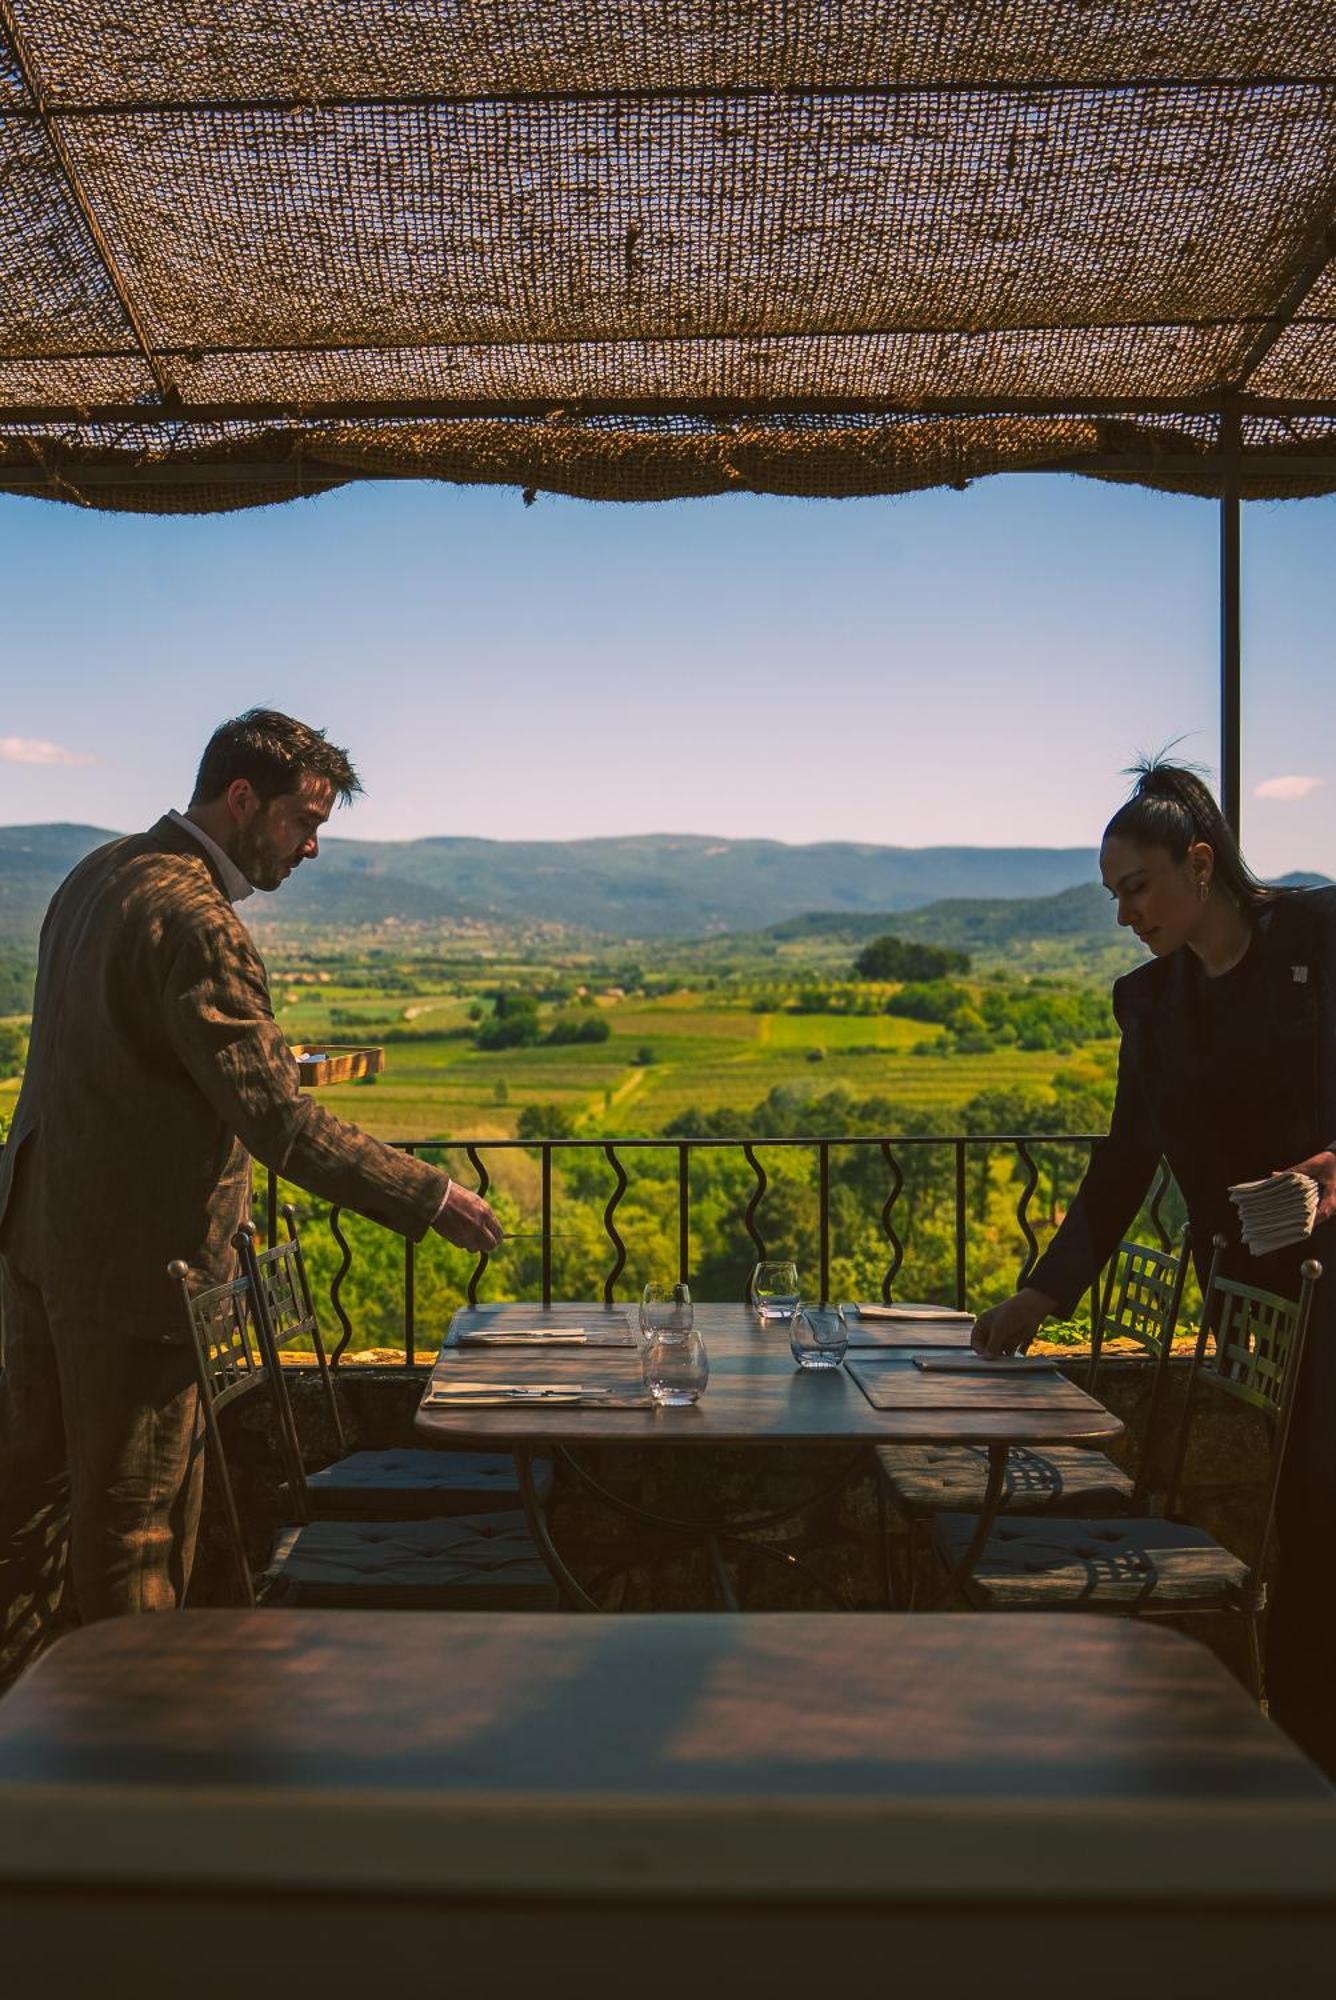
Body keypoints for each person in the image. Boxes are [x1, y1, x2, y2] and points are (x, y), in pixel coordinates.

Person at [0, 708, 502, 1645]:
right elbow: (277, 1121)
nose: (311, 847)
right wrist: (431, 1195)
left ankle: (38, 1733)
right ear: (242, 799)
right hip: (137, 1274)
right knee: (136, 1540)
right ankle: (141, 1755)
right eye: (303, 822)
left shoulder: (96, 875)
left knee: (26, 1508)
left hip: (36, 1239)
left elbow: (122, 1061)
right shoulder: (200, 925)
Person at [972, 761, 1336, 1773]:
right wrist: (1045, 1290)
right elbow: (1126, 1156)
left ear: (1200, 860)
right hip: (1256, 1294)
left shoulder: (1318, 938)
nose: (1123, 912)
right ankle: (1302, 1754)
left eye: (1135, 885)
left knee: (1320, 1519)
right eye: (1111, 895)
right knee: (1308, 1524)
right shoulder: (1152, 1001)